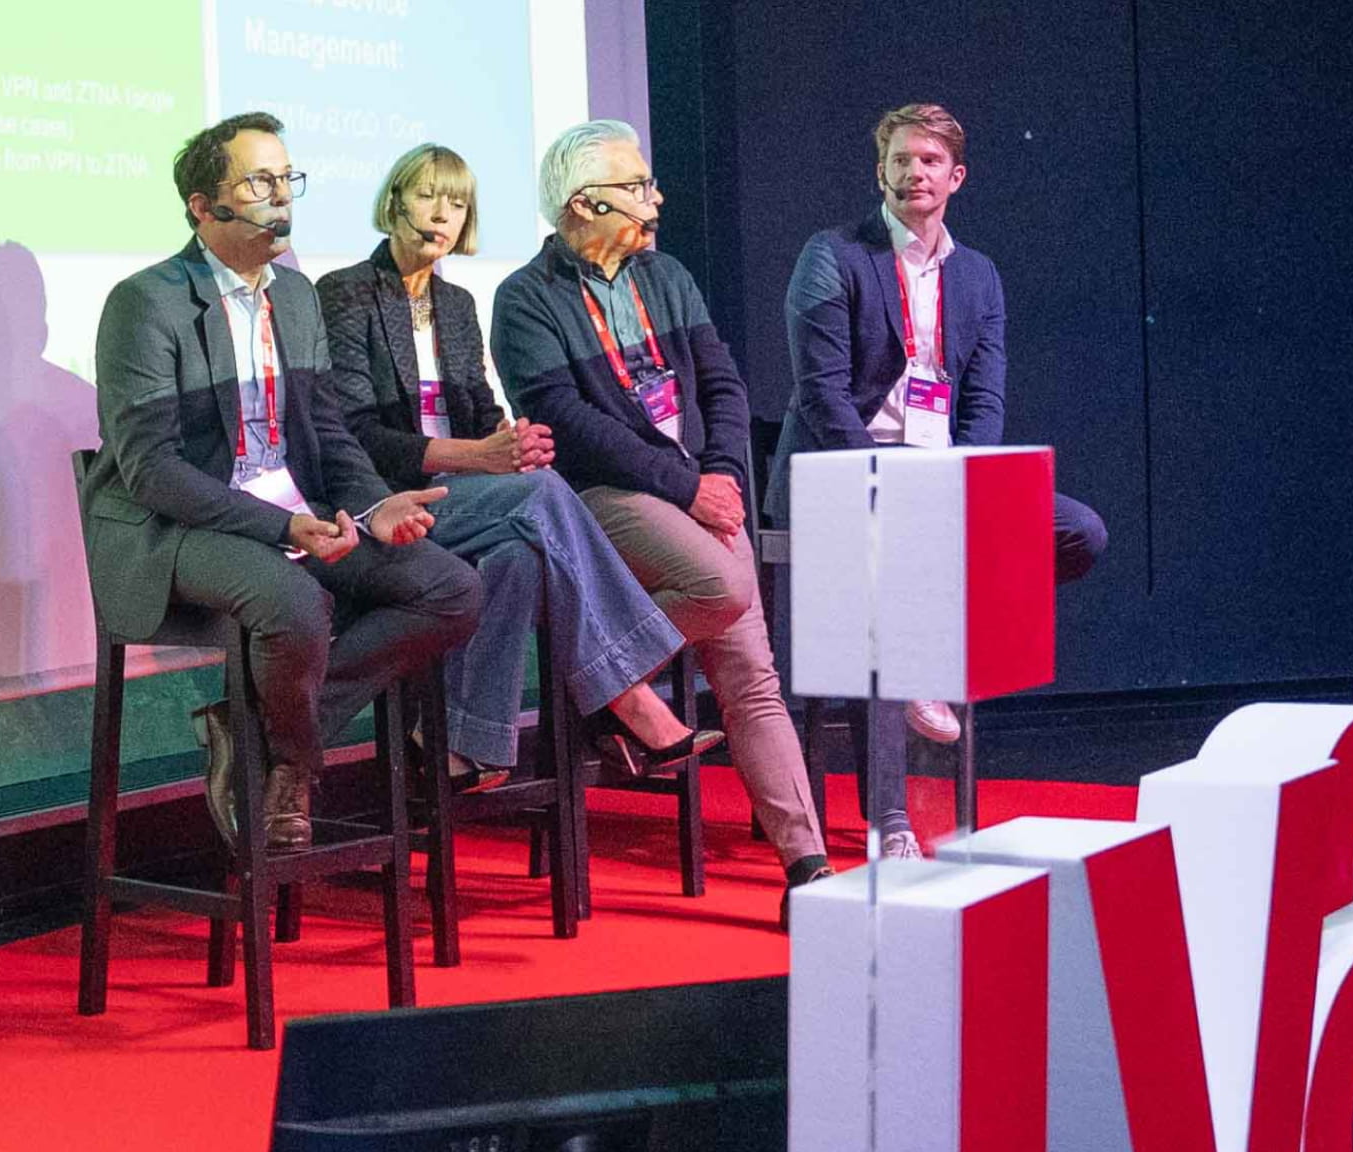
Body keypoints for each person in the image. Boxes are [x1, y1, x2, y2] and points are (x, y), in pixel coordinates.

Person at [80, 112, 483, 852]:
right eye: (260, 182)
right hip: (177, 530)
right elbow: (151, 471)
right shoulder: (146, 302)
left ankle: (253, 733)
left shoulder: (294, 298)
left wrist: (373, 504)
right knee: (297, 602)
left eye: (286, 179)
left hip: (290, 512)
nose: (281, 198)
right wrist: (281, 528)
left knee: (449, 587)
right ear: (205, 206)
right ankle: (293, 765)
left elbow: (327, 432)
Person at [491, 120, 831, 919]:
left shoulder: (667, 275)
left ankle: (807, 867)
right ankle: (604, 684)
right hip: (604, 497)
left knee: (753, 678)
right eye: (639, 186)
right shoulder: (523, 299)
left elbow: (723, 386)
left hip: (698, 491)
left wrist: (722, 475)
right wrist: (687, 491)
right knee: (722, 585)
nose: (657, 197)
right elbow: (571, 424)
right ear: (584, 203)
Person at [317, 144, 722, 788]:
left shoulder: (457, 306)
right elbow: (356, 433)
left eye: (456, 202)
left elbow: (479, 412)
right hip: (390, 503)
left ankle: (457, 745)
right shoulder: (343, 294)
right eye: (426, 195)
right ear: (394, 203)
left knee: (519, 556)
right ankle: (627, 694)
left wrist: (507, 442)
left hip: (464, 494)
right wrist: (479, 457)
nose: (440, 214)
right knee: (541, 496)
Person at [767, 103, 1109, 858]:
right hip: (841, 472)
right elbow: (822, 394)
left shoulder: (978, 275)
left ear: (955, 176)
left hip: (935, 472)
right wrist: (889, 486)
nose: (913, 173)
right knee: (887, 570)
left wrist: (965, 485)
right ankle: (890, 821)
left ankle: (944, 637)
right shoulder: (833, 255)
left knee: (1076, 530)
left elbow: (984, 398)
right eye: (900, 160)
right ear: (880, 171)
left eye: (928, 161)